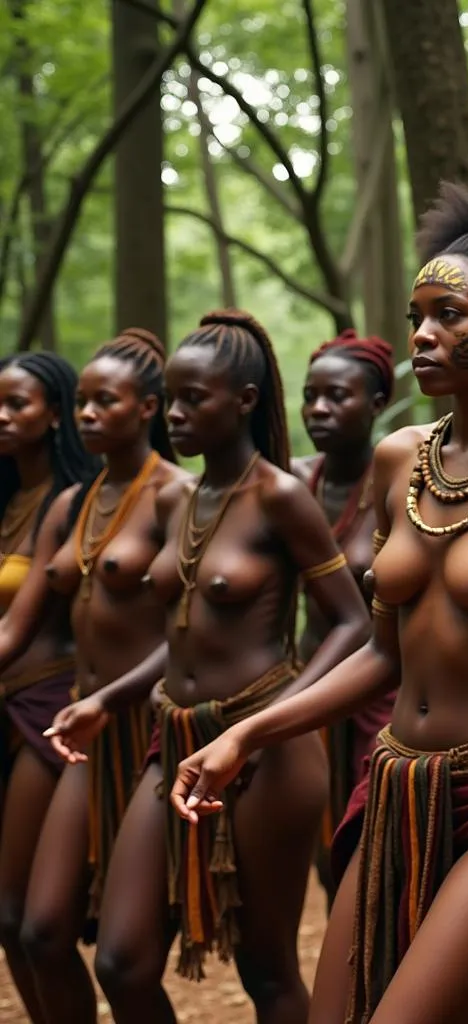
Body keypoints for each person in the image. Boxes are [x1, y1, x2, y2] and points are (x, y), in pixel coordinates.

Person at [170, 173, 468, 1024]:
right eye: (419, 313)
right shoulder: (397, 460)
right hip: (395, 788)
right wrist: (249, 732)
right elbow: (382, 652)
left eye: (450, 316)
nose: (422, 332)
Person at [47, 310, 371, 1024]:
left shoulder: (280, 497)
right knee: (122, 959)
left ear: (245, 402)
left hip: (269, 752)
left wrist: (274, 721)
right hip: (176, 737)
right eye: (174, 399)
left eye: (197, 399)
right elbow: (180, 630)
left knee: (266, 968)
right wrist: (111, 699)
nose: (179, 415)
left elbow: (353, 621)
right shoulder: (182, 498)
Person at [0, 330, 185, 1024]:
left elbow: (191, 636)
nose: (85, 414)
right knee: (37, 928)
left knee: (123, 957)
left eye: (103, 401)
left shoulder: (177, 495)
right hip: (81, 726)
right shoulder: (71, 503)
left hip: (142, 729)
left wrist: (114, 696)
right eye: (81, 401)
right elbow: (17, 624)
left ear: (148, 409)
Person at [0, 351, 99, 1020]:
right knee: (7, 924)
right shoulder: (5, 496)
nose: (1, 418)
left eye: (16, 404)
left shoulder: (73, 502)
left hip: (48, 708)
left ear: (55, 414)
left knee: (27, 918)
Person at [291, 329, 398, 903]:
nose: (319, 410)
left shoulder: (397, 482)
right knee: (323, 858)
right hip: (305, 687)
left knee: (371, 853)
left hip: (375, 697)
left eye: (337, 396)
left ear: (377, 403)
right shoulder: (290, 481)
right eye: (311, 396)